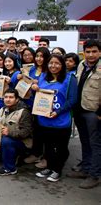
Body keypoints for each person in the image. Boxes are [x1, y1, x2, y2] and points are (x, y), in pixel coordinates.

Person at [31, 54, 78, 182]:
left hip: (61, 120)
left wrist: (58, 112)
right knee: (48, 147)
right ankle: (49, 167)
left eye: (57, 63)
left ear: (62, 65)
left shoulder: (70, 79)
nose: (53, 66)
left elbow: (72, 100)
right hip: (44, 119)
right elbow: (40, 95)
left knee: (61, 148)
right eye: (51, 63)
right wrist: (34, 88)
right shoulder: (42, 77)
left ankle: (57, 169)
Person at [67, 40, 101, 189]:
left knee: (96, 145)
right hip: (80, 110)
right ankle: (85, 168)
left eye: (94, 51)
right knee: (85, 142)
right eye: (88, 52)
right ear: (84, 52)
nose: (91, 55)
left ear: (99, 52)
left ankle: (94, 175)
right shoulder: (81, 65)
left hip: (94, 112)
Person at [0, 89, 33, 176]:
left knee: (6, 141)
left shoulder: (24, 112)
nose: (8, 99)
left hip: (22, 143)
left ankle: (9, 168)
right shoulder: (2, 110)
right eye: (6, 97)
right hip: (4, 140)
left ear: (17, 99)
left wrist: (9, 132)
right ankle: (12, 157)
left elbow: (26, 132)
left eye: (11, 97)